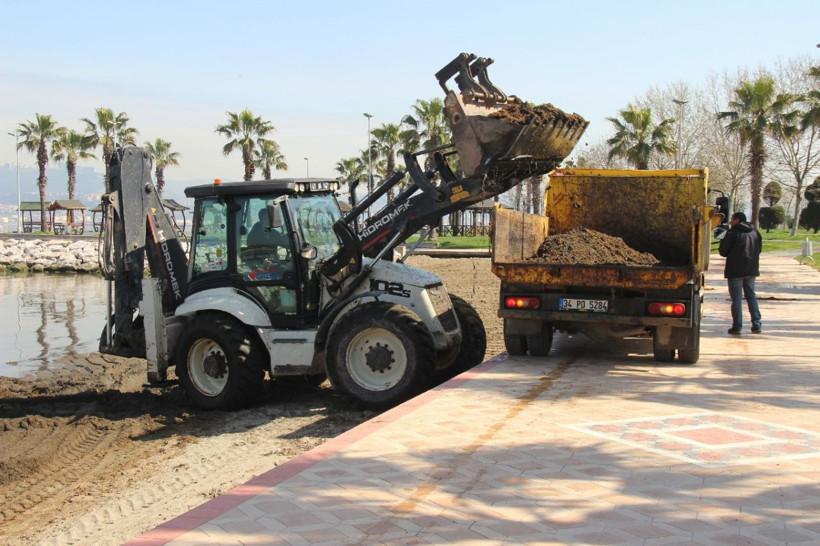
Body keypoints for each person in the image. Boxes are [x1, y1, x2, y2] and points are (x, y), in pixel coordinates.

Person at [718, 211, 762, 335]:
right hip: (751, 269)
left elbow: (723, 252)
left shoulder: (732, 233)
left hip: (735, 270)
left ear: (737, 219)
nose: (730, 222)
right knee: (751, 296)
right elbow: (759, 249)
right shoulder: (755, 232)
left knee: (736, 299)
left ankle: (737, 326)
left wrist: (722, 240)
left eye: (732, 219)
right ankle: (757, 324)